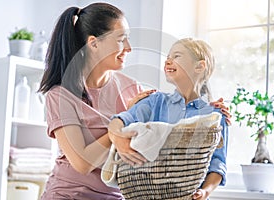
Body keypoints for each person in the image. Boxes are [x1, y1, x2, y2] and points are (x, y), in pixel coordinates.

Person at [38, 2, 230, 199]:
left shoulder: (132, 89)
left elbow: (165, 130)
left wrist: (206, 112)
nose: (129, 48)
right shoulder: (60, 96)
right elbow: (82, 163)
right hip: (69, 194)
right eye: (121, 40)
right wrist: (116, 132)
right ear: (94, 43)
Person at [108, 38, 228, 200]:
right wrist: (118, 138)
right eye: (168, 57)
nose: (168, 61)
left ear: (199, 66)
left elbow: (218, 163)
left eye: (176, 56)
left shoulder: (214, 115)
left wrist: (205, 191)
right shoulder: (154, 101)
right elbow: (120, 120)